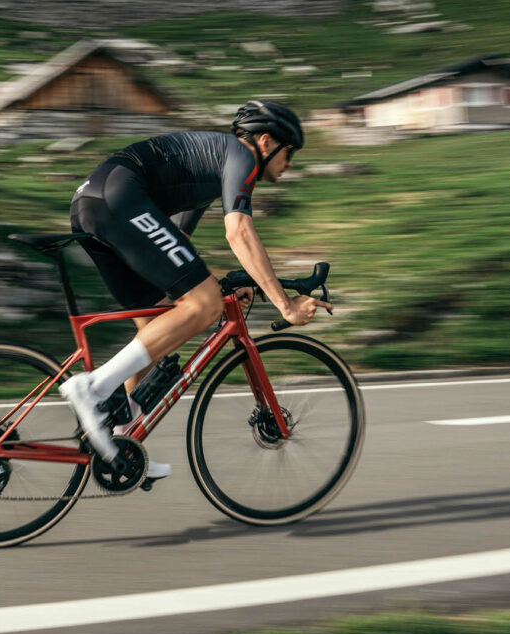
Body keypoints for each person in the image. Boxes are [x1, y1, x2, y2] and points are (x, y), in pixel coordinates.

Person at [60, 99, 332, 480]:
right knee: (201, 306)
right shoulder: (241, 156)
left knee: (157, 328)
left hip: (95, 202)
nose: (290, 164)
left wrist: (219, 291)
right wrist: (284, 305)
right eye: (290, 153)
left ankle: (122, 442)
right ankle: (93, 388)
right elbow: (238, 231)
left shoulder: (208, 169)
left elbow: (175, 251)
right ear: (267, 142)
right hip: (116, 198)